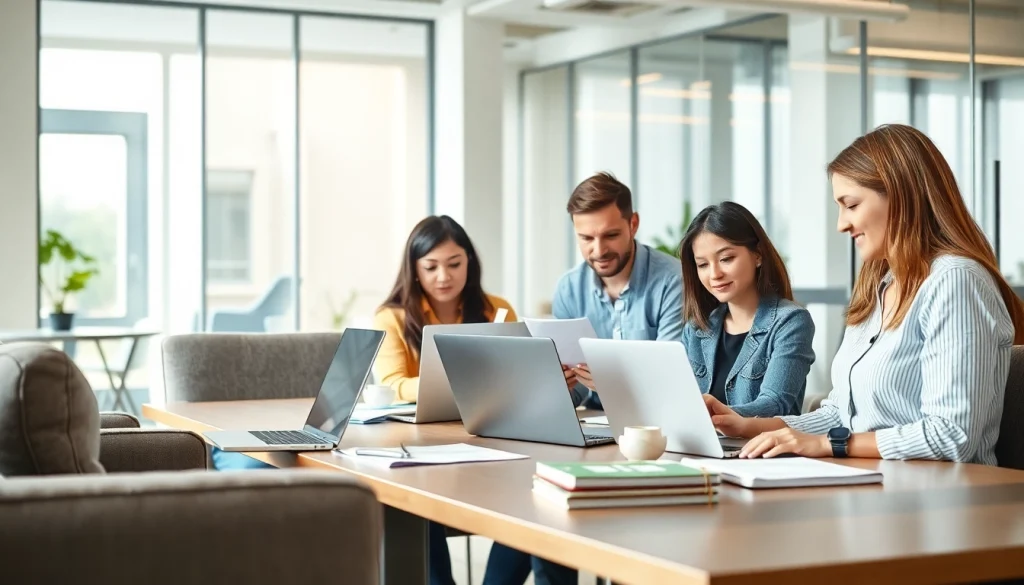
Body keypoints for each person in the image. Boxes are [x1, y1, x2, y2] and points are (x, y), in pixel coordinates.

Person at [704, 123, 1024, 465]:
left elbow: (951, 435)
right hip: (868, 483)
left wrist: (831, 445)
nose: (842, 224)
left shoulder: (956, 281)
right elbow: (840, 415)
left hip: (940, 498)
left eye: (851, 205)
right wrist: (746, 426)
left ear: (901, 197)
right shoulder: (878, 285)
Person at [372, 215, 535, 585]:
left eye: (454, 264)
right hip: (419, 445)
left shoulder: (497, 309)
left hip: (488, 435)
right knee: (415, 501)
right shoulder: (392, 318)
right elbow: (394, 385)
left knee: (535, 497)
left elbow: (516, 375)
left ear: (470, 263)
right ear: (414, 270)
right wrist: (459, 373)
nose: (443, 276)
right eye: (430, 267)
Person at [551, 172, 683, 409]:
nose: (599, 250)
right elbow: (575, 391)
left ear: (633, 224)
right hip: (594, 422)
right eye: (586, 238)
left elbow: (672, 379)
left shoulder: (673, 282)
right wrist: (558, 385)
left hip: (654, 422)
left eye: (610, 235)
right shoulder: (568, 289)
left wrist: (612, 382)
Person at [679, 201, 815, 417]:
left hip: (764, 448)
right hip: (702, 448)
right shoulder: (696, 329)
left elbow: (775, 403)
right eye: (703, 264)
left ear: (758, 255)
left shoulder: (791, 321)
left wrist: (715, 416)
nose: (714, 274)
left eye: (726, 259)